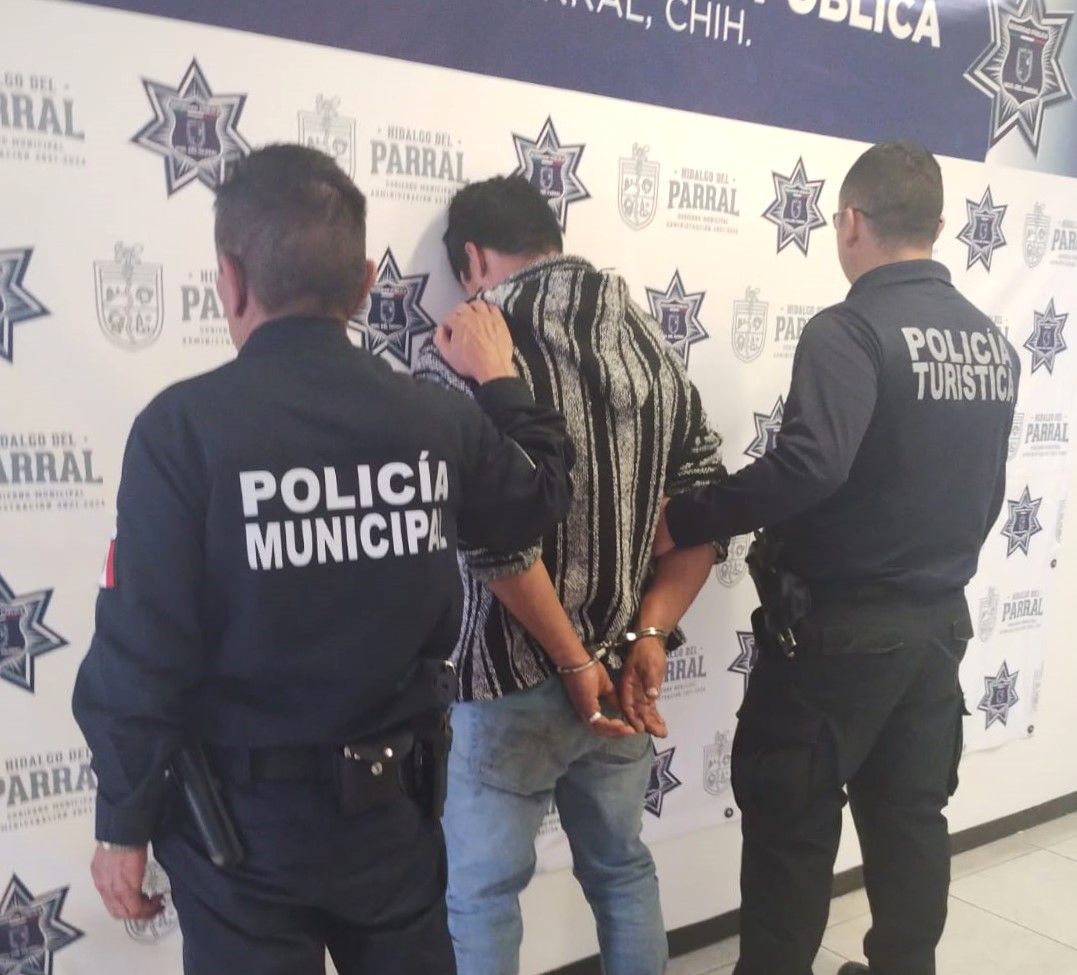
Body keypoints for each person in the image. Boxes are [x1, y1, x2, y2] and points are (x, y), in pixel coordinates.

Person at [71, 144, 578, 975]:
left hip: (242, 838)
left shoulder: (183, 429)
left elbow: (142, 648)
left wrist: (122, 822)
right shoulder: (434, 418)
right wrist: (499, 379)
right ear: (366, 284)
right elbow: (538, 496)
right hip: (392, 815)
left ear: (230, 279)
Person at [654, 141, 1020, 975]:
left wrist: (687, 516)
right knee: (909, 818)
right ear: (936, 226)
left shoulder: (849, 328)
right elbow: (987, 489)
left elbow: (811, 465)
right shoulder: (990, 341)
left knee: (791, 826)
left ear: (851, 222)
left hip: (837, 637)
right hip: (935, 630)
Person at [415, 175, 728, 975]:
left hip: (506, 676)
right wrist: (648, 632)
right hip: (621, 672)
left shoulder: (466, 345)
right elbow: (706, 509)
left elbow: (490, 543)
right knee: (621, 870)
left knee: (482, 895)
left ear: (471, 258)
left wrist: (571, 659)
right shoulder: (648, 341)